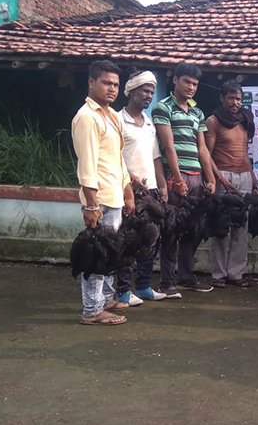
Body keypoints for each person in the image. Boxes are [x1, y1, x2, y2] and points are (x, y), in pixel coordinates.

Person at [71, 59, 134, 326]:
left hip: (114, 196)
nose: (112, 89)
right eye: (106, 83)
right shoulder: (87, 117)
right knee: (96, 257)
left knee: (110, 255)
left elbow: (118, 159)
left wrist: (128, 191)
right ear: (91, 83)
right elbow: (87, 164)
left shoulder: (112, 116)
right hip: (99, 199)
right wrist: (91, 205)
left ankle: (105, 299)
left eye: (116, 85)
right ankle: (92, 310)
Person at [152, 62, 217, 296]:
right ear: (175, 80)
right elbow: (168, 146)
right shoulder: (163, 107)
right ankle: (166, 282)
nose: (191, 87)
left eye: (195, 84)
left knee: (193, 230)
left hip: (196, 178)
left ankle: (186, 277)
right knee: (171, 230)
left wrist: (211, 178)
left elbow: (202, 148)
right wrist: (178, 180)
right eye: (187, 82)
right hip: (175, 177)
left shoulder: (197, 112)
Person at [115, 70, 172, 305]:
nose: (149, 95)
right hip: (128, 190)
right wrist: (130, 179)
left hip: (151, 191)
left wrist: (162, 186)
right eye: (144, 91)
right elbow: (114, 156)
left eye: (151, 92)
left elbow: (156, 157)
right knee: (128, 241)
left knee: (151, 240)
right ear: (131, 91)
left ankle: (144, 286)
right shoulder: (118, 120)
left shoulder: (149, 122)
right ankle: (123, 290)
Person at [205, 80, 258, 288]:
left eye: (238, 99)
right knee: (222, 227)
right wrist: (220, 179)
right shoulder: (213, 121)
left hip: (244, 176)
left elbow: (245, 153)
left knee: (241, 226)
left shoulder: (245, 120)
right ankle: (218, 275)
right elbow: (207, 155)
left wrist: (254, 179)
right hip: (223, 177)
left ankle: (236, 274)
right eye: (231, 98)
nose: (235, 102)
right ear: (222, 98)